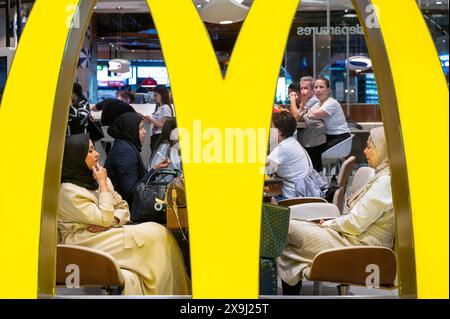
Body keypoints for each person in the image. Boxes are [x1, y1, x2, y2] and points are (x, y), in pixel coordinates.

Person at [57, 134, 190, 295]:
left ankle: (175, 293)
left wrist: (113, 221)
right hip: (84, 243)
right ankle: (165, 293)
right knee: (156, 236)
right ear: (76, 157)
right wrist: (104, 186)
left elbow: (123, 208)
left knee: (162, 233)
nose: (97, 154)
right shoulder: (69, 191)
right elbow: (104, 218)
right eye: (91, 151)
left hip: (106, 235)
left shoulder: (95, 179)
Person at [277, 126, 394, 294]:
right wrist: (330, 224)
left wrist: (329, 224)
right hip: (354, 238)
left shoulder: (384, 182)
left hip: (360, 245)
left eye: (369, 147)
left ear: (383, 149)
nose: (365, 151)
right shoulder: (383, 177)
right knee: (288, 242)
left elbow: (355, 224)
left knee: (285, 228)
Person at [104, 112, 169, 208]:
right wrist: (153, 171)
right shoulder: (124, 152)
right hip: (126, 210)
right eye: (140, 128)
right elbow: (131, 192)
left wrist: (155, 169)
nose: (144, 131)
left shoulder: (124, 145)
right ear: (130, 130)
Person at [266, 111, 325, 200]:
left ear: (280, 131)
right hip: (302, 192)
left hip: (292, 197)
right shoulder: (291, 142)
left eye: (271, 128)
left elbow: (267, 170)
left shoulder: (283, 148)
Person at [302, 77, 350, 152]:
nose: (318, 90)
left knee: (313, 149)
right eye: (316, 87)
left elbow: (315, 115)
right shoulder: (319, 103)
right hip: (328, 136)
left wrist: (312, 113)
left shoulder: (332, 102)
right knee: (310, 146)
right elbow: (306, 114)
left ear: (328, 90)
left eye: (321, 87)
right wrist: (311, 112)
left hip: (340, 137)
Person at [290, 76, 326, 172]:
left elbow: (296, 116)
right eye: (301, 88)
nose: (302, 91)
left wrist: (293, 101)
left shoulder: (314, 100)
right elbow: (298, 115)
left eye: (306, 88)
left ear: (313, 91)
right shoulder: (306, 101)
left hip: (314, 140)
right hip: (310, 138)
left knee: (310, 167)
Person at [144, 85, 174, 155]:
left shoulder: (166, 108)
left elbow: (163, 125)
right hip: (155, 137)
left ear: (162, 95)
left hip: (160, 137)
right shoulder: (160, 107)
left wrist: (151, 119)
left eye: (156, 95)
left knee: (157, 160)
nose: (154, 98)